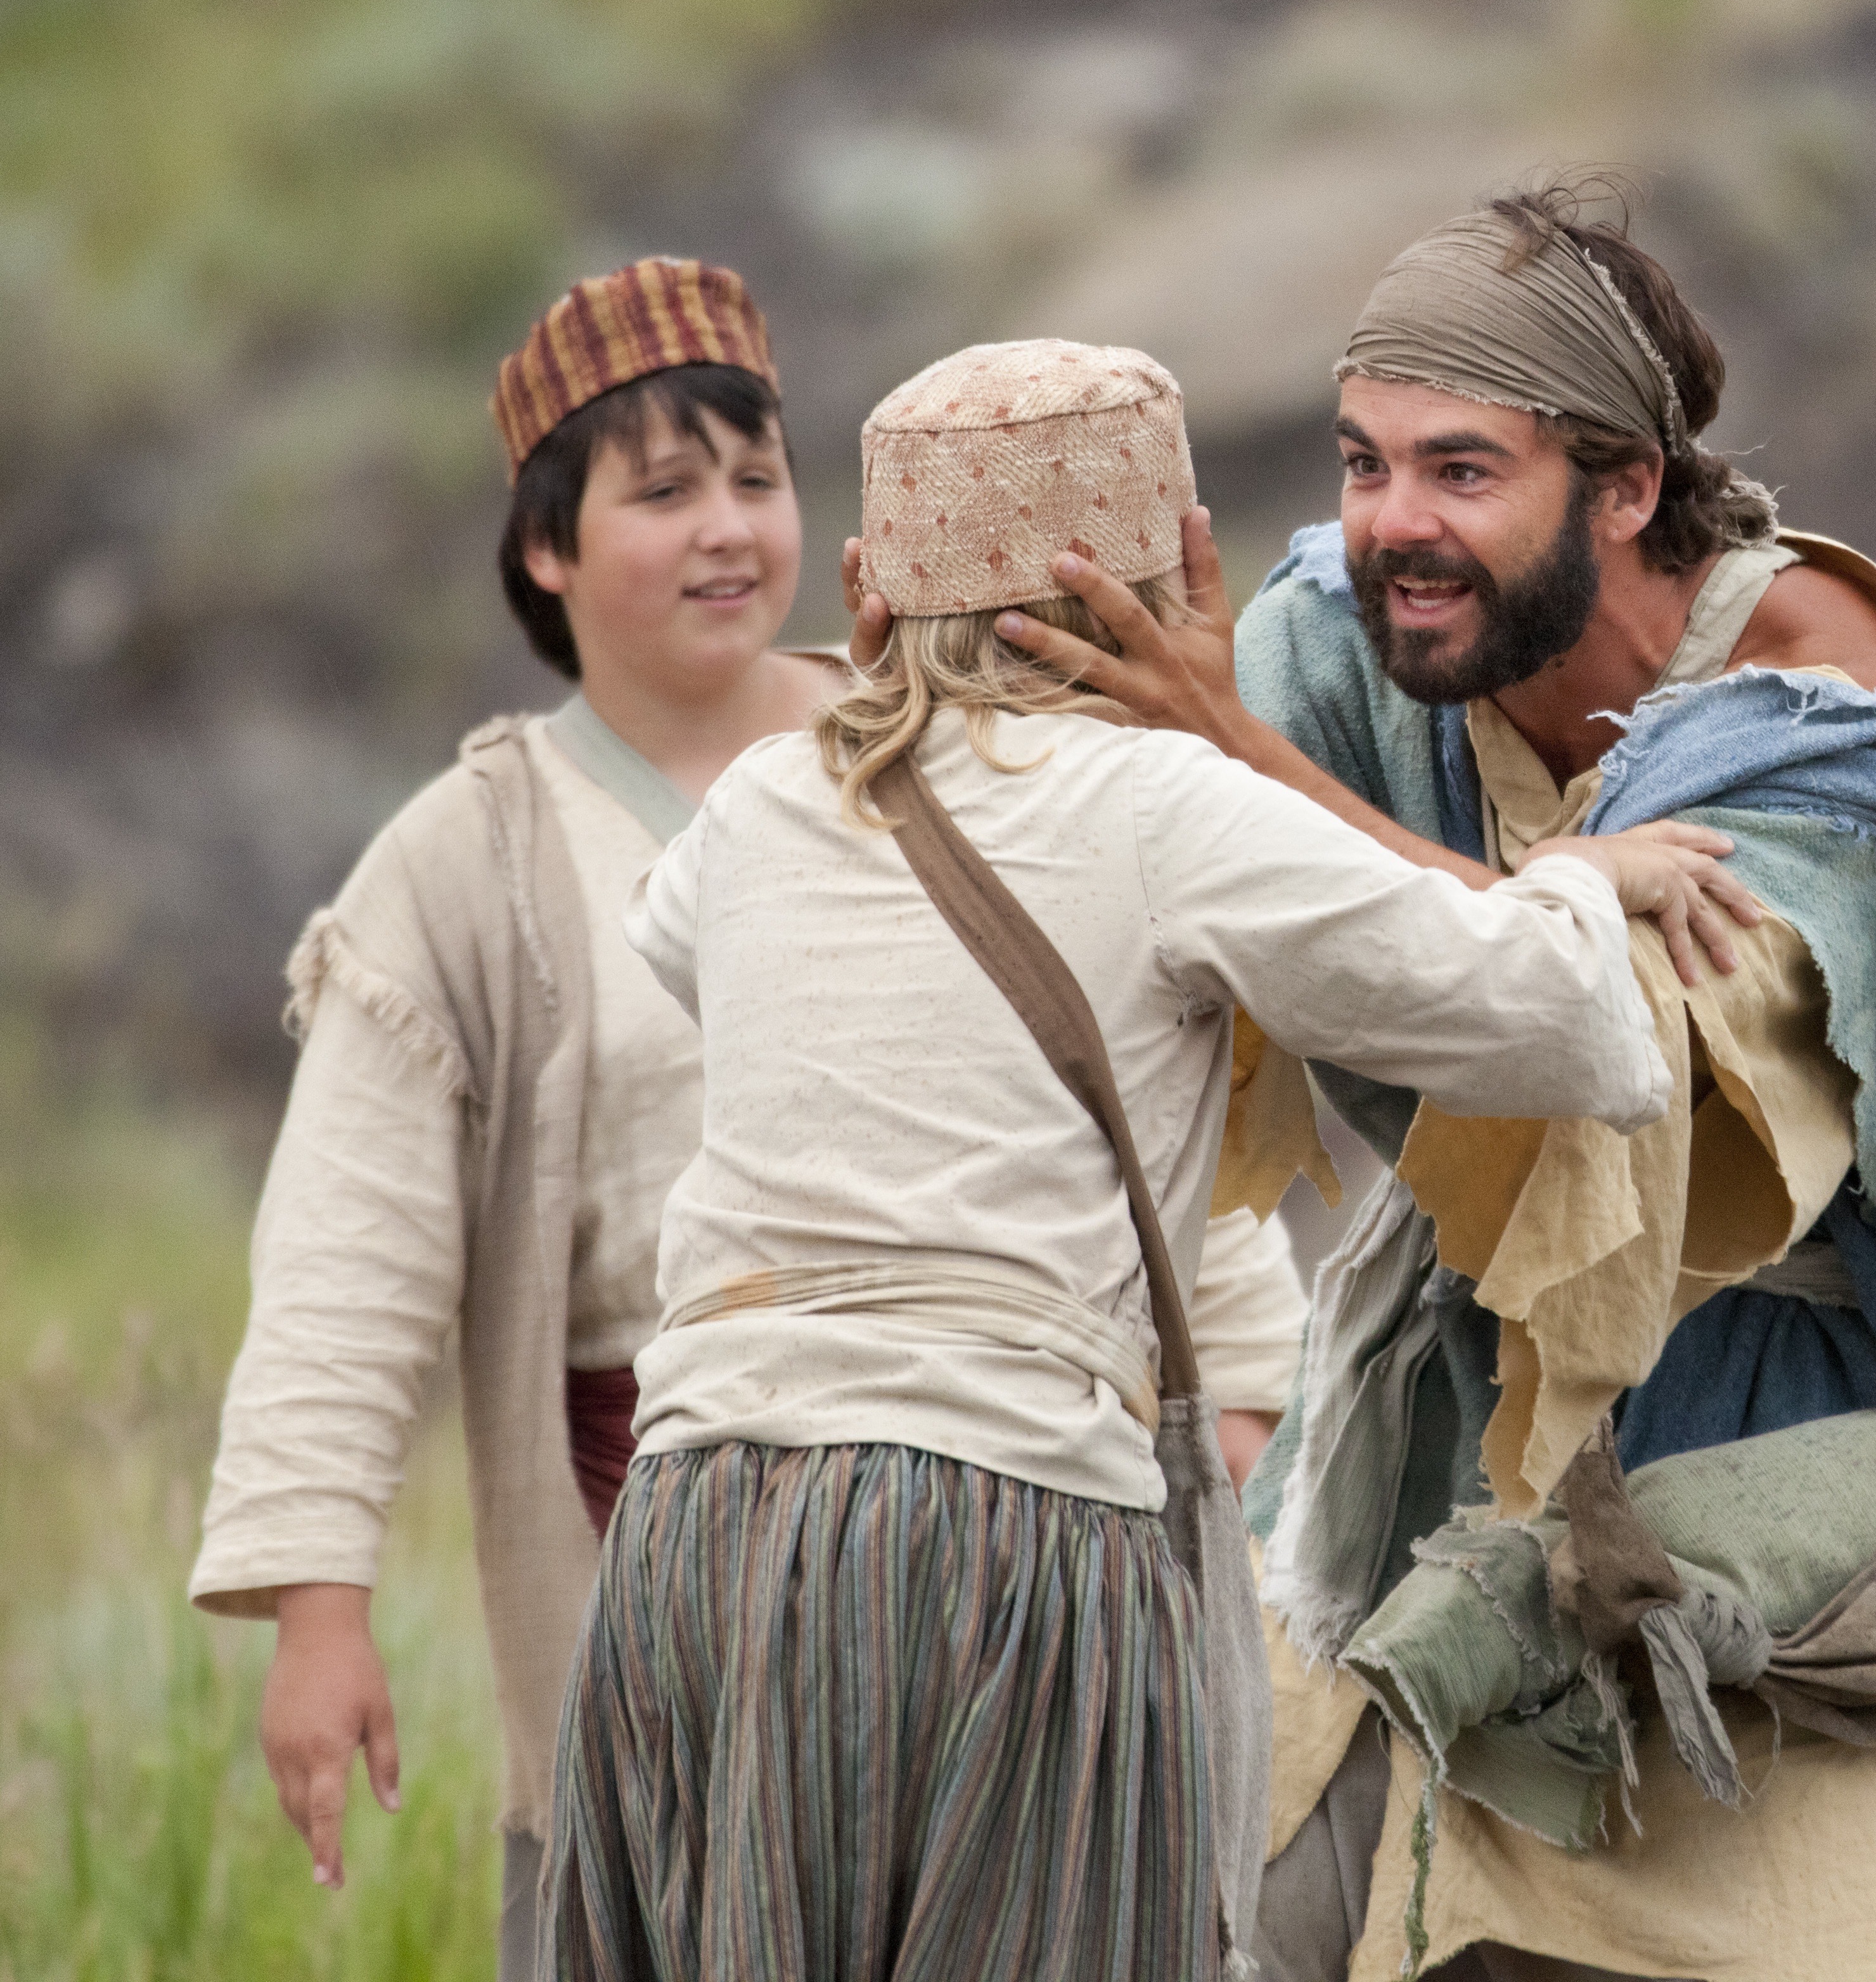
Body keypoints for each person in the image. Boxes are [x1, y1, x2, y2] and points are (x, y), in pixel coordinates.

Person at [989, 187, 1876, 1980]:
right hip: (1455, 1473)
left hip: (1815, 1504)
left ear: (1622, 486)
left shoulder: (1826, 698)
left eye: (1463, 470)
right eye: (1366, 463)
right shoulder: (1348, 647)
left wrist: (1237, 766)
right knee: (1236, 1908)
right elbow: (1060, 789)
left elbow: (1627, 1048)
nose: (1393, 525)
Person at [544, 338, 1760, 1981]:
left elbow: (682, 945)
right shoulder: (1166, 804)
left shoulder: (761, 803)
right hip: (990, 1524)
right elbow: (1563, 1029)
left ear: (868, 579)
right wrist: (1578, 876)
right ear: (1175, 567)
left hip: (701, 1516)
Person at [183, 259, 1306, 1974]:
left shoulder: (960, 744)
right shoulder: (463, 863)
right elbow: (352, 1243)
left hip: (1023, 1503)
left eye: (758, 480)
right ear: (547, 549)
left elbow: (1141, 1076)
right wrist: (317, 1604)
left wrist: (1225, 1391)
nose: (727, 529)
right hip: (671, 1550)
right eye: (662, 491)